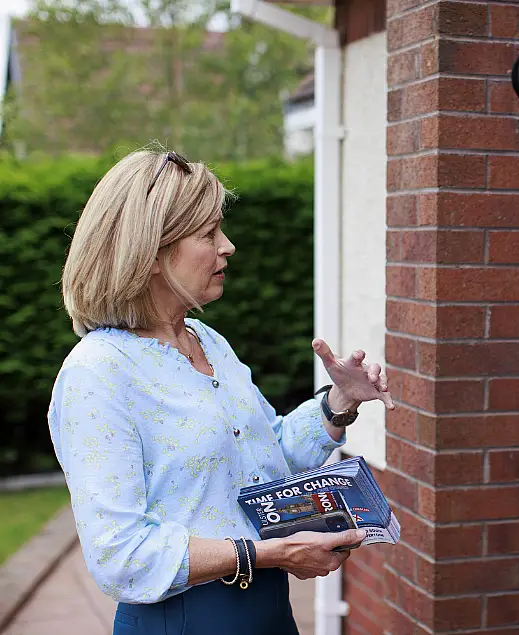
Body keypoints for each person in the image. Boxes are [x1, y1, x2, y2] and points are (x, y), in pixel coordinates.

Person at [47, 149, 394, 635]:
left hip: (268, 609)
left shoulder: (208, 341)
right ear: (150, 252)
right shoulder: (98, 373)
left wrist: (340, 403)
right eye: (208, 234)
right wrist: (268, 552)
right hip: (188, 619)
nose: (227, 246)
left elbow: (266, 457)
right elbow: (120, 555)